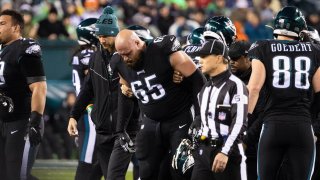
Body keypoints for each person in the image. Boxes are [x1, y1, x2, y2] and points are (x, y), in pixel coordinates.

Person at [114, 29, 206, 180]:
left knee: (182, 169)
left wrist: (198, 116)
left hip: (179, 119)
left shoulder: (162, 50)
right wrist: (121, 128)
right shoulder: (118, 62)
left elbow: (198, 80)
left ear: (137, 43)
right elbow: (125, 92)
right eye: (121, 54)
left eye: (128, 53)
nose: (125, 58)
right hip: (150, 122)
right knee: (147, 171)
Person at [247, 6, 320, 180]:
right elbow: (319, 92)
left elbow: (254, 88)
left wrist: (245, 122)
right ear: (300, 29)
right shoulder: (314, 50)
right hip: (302, 126)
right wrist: (314, 124)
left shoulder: (262, 47)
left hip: (272, 125)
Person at [68, 6, 139, 180]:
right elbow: (87, 90)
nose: (102, 40)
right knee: (110, 176)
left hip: (125, 129)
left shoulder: (129, 55)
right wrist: (74, 115)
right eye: (99, 36)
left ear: (116, 34)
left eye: (105, 36)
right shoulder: (95, 58)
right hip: (102, 130)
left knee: (116, 176)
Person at [189, 39, 248, 180]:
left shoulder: (236, 85)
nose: (200, 60)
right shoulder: (205, 88)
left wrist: (225, 152)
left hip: (227, 150)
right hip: (204, 150)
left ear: (219, 58)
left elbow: (239, 123)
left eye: (204, 56)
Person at [0, 9, 47, 180]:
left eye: (2, 23)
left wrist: (34, 120)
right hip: (3, 120)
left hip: (22, 121)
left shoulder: (25, 48)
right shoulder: (2, 51)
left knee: (17, 175)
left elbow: (39, 87)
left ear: (16, 28)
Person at [71, 18, 102, 180]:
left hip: (85, 110)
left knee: (98, 160)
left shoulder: (80, 54)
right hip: (90, 110)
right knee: (89, 161)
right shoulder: (89, 55)